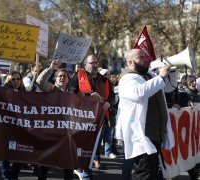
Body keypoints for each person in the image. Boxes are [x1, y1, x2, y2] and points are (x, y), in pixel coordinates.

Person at [114, 48, 174, 180]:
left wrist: (171, 72)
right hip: (140, 134)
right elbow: (139, 94)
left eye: (144, 57)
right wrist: (161, 76)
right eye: (140, 58)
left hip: (154, 133)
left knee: (152, 172)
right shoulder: (127, 78)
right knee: (144, 173)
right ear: (130, 63)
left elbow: (170, 87)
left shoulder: (149, 76)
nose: (145, 60)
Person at [69, 55, 113, 179]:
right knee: (83, 147)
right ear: (86, 65)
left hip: (99, 119)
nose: (95, 65)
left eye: (96, 62)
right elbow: (71, 93)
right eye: (92, 62)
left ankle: (86, 172)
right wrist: (88, 97)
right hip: (82, 119)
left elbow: (113, 96)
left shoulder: (105, 80)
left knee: (94, 147)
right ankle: (84, 172)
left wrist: (109, 102)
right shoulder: (77, 77)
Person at [36, 59, 74, 180]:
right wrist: (51, 68)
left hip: (66, 134)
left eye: (65, 76)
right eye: (60, 76)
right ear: (55, 79)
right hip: (51, 132)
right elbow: (39, 81)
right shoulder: (51, 89)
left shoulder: (73, 94)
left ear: (68, 79)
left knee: (68, 164)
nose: (62, 78)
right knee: (46, 163)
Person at [0, 71, 24, 180]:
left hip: (19, 128)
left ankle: (14, 176)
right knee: (4, 154)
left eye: (18, 79)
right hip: (5, 128)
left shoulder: (25, 93)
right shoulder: (2, 91)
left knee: (19, 154)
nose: (16, 81)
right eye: (13, 79)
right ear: (9, 80)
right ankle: (6, 177)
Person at [177, 74, 200, 180]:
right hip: (186, 131)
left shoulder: (197, 94)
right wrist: (187, 102)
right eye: (191, 81)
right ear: (185, 83)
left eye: (194, 81)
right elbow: (181, 102)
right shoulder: (181, 95)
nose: (194, 83)